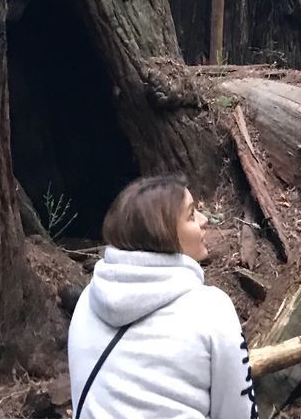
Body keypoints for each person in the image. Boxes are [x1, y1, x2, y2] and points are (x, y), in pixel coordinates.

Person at [68, 176, 257, 419]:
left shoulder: (88, 300)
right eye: (191, 215)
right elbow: (238, 413)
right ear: (162, 234)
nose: (204, 220)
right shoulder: (211, 310)